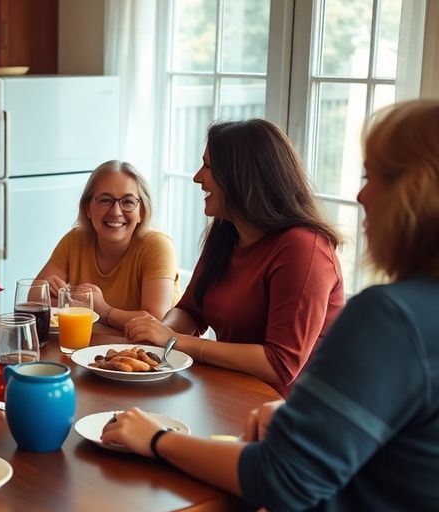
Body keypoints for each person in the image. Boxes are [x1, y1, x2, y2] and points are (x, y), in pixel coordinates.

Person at [104, 99, 439, 511]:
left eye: (375, 176)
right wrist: (157, 345)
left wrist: (156, 439)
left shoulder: (332, 270)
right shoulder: (226, 233)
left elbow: (285, 458)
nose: (361, 194)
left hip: (262, 408)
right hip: (251, 406)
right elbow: (192, 310)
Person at [124, 119, 344, 397]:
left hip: (289, 412)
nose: (197, 177)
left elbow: (281, 365)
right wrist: (154, 337)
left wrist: (172, 341)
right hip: (230, 391)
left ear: (242, 175)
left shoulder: (304, 248)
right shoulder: (227, 231)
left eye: (209, 167)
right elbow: (192, 310)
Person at [36, 160, 180, 328]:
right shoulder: (75, 239)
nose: (116, 212)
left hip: (150, 352)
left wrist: (103, 310)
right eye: (105, 200)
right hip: (92, 348)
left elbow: (155, 319)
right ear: (88, 207)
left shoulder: (157, 245)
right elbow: (34, 298)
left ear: (141, 211)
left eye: (127, 202)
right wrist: (62, 296)